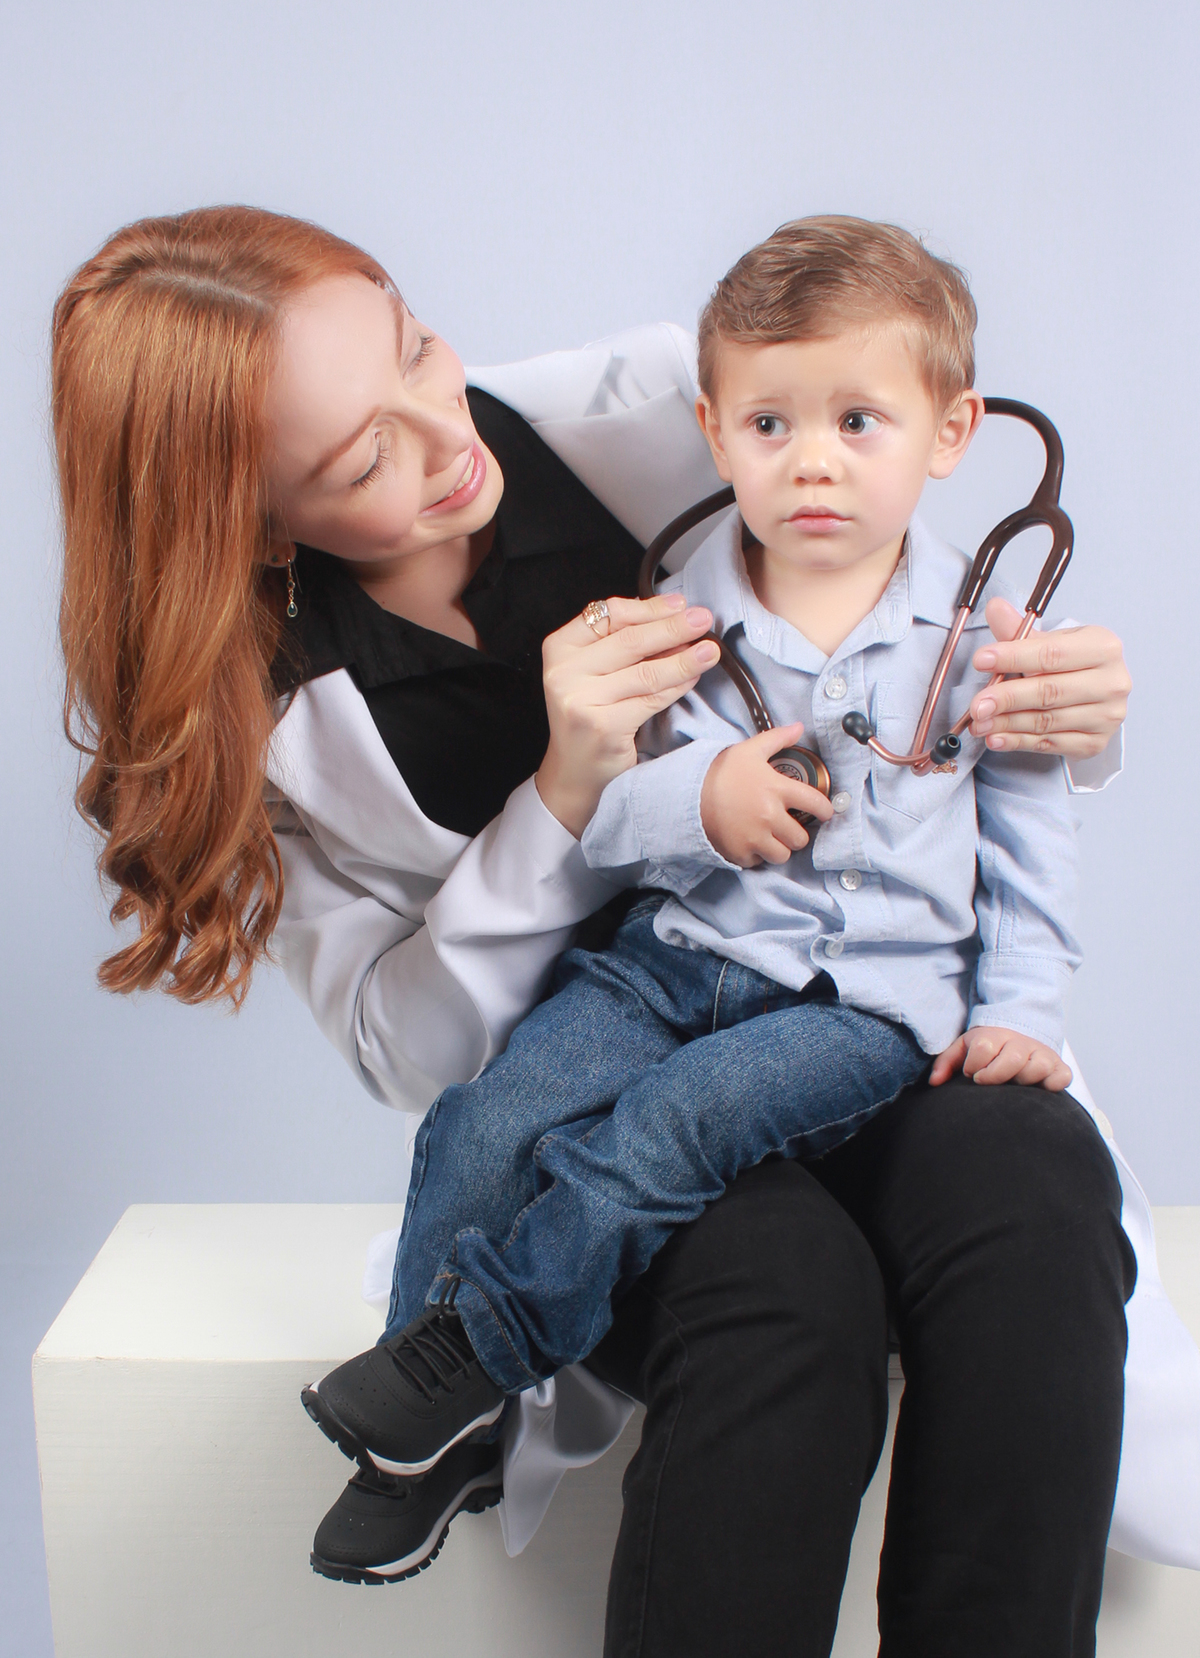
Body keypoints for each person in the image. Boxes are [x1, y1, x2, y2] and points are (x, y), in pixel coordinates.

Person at [52, 205, 1145, 1658]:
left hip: (865, 989)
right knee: (781, 1297)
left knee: (1035, 1181)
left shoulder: (678, 417)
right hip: (612, 1055)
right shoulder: (266, 718)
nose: (446, 436)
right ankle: (436, 1407)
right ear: (251, 520)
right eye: (364, 461)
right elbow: (410, 1050)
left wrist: (1062, 711)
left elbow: (911, 601)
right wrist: (568, 789)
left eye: (418, 349)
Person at [301, 217, 1087, 1576]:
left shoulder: (977, 641)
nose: (814, 460)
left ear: (950, 433)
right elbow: (611, 815)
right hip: (670, 959)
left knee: (669, 1125)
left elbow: (1026, 840)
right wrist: (700, 800)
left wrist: (1021, 1008)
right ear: (716, 434)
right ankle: (430, 1427)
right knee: (489, 1118)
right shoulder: (677, 606)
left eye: (859, 421)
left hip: (855, 1003)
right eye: (772, 426)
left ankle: (483, 1347)